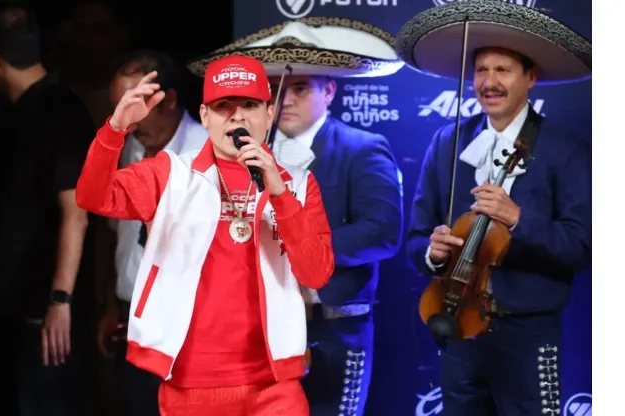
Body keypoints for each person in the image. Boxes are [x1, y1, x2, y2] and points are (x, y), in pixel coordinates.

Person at [75, 55, 334, 415]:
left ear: (269, 114)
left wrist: (280, 194)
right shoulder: (171, 174)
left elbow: (317, 273)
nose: (237, 116)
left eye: (249, 105)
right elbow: (92, 197)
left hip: (274, 385)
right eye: (223, 106)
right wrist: (114, 130)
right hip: (190, 383)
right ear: (204, 115)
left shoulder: (299, 183)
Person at [187, 19, 404, 415]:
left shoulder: (363, 148)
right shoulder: (246, 151)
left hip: (334, 326)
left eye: (300, 89)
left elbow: (382, 232)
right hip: (257, 327)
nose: (284, 99)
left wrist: (299, 246)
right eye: (274, 91)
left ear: (330, 91)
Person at [397, 2, 592, 415]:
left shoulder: (568, 150)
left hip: (529, 332)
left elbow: (582, 247)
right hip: (457, 327)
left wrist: (518, 219)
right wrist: (431, 254)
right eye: (482, 71)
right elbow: (416, 236)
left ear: (530, 77)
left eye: (502, 70)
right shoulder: (446, 143)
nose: (489, 81)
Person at [0, 2, 99, 414]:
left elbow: (76, 212)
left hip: (43, 318)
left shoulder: (61, 112)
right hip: (7, 307)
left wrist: (60, 300)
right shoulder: (11, 114)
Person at [96, 50, 208, 416]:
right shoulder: (128, 146)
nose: (126, 122)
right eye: (118, 109)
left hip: (187, 325)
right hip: (129, 317)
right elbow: (115, 234)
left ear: (170, 99)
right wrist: (111, 302)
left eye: (135, 108)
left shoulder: (207, 154)